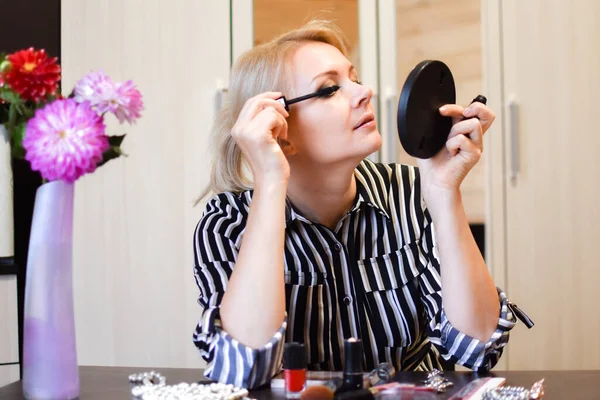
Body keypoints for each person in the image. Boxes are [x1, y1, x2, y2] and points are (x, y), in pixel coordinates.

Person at [192, 20, 520, 389]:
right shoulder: (226, 222)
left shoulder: (411, 193)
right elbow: (244, 369)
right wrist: (269, 182)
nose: (364, 91)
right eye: (330, 88)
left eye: (355, 77)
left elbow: (478, 349)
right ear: (278, 130)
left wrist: (445, 193)